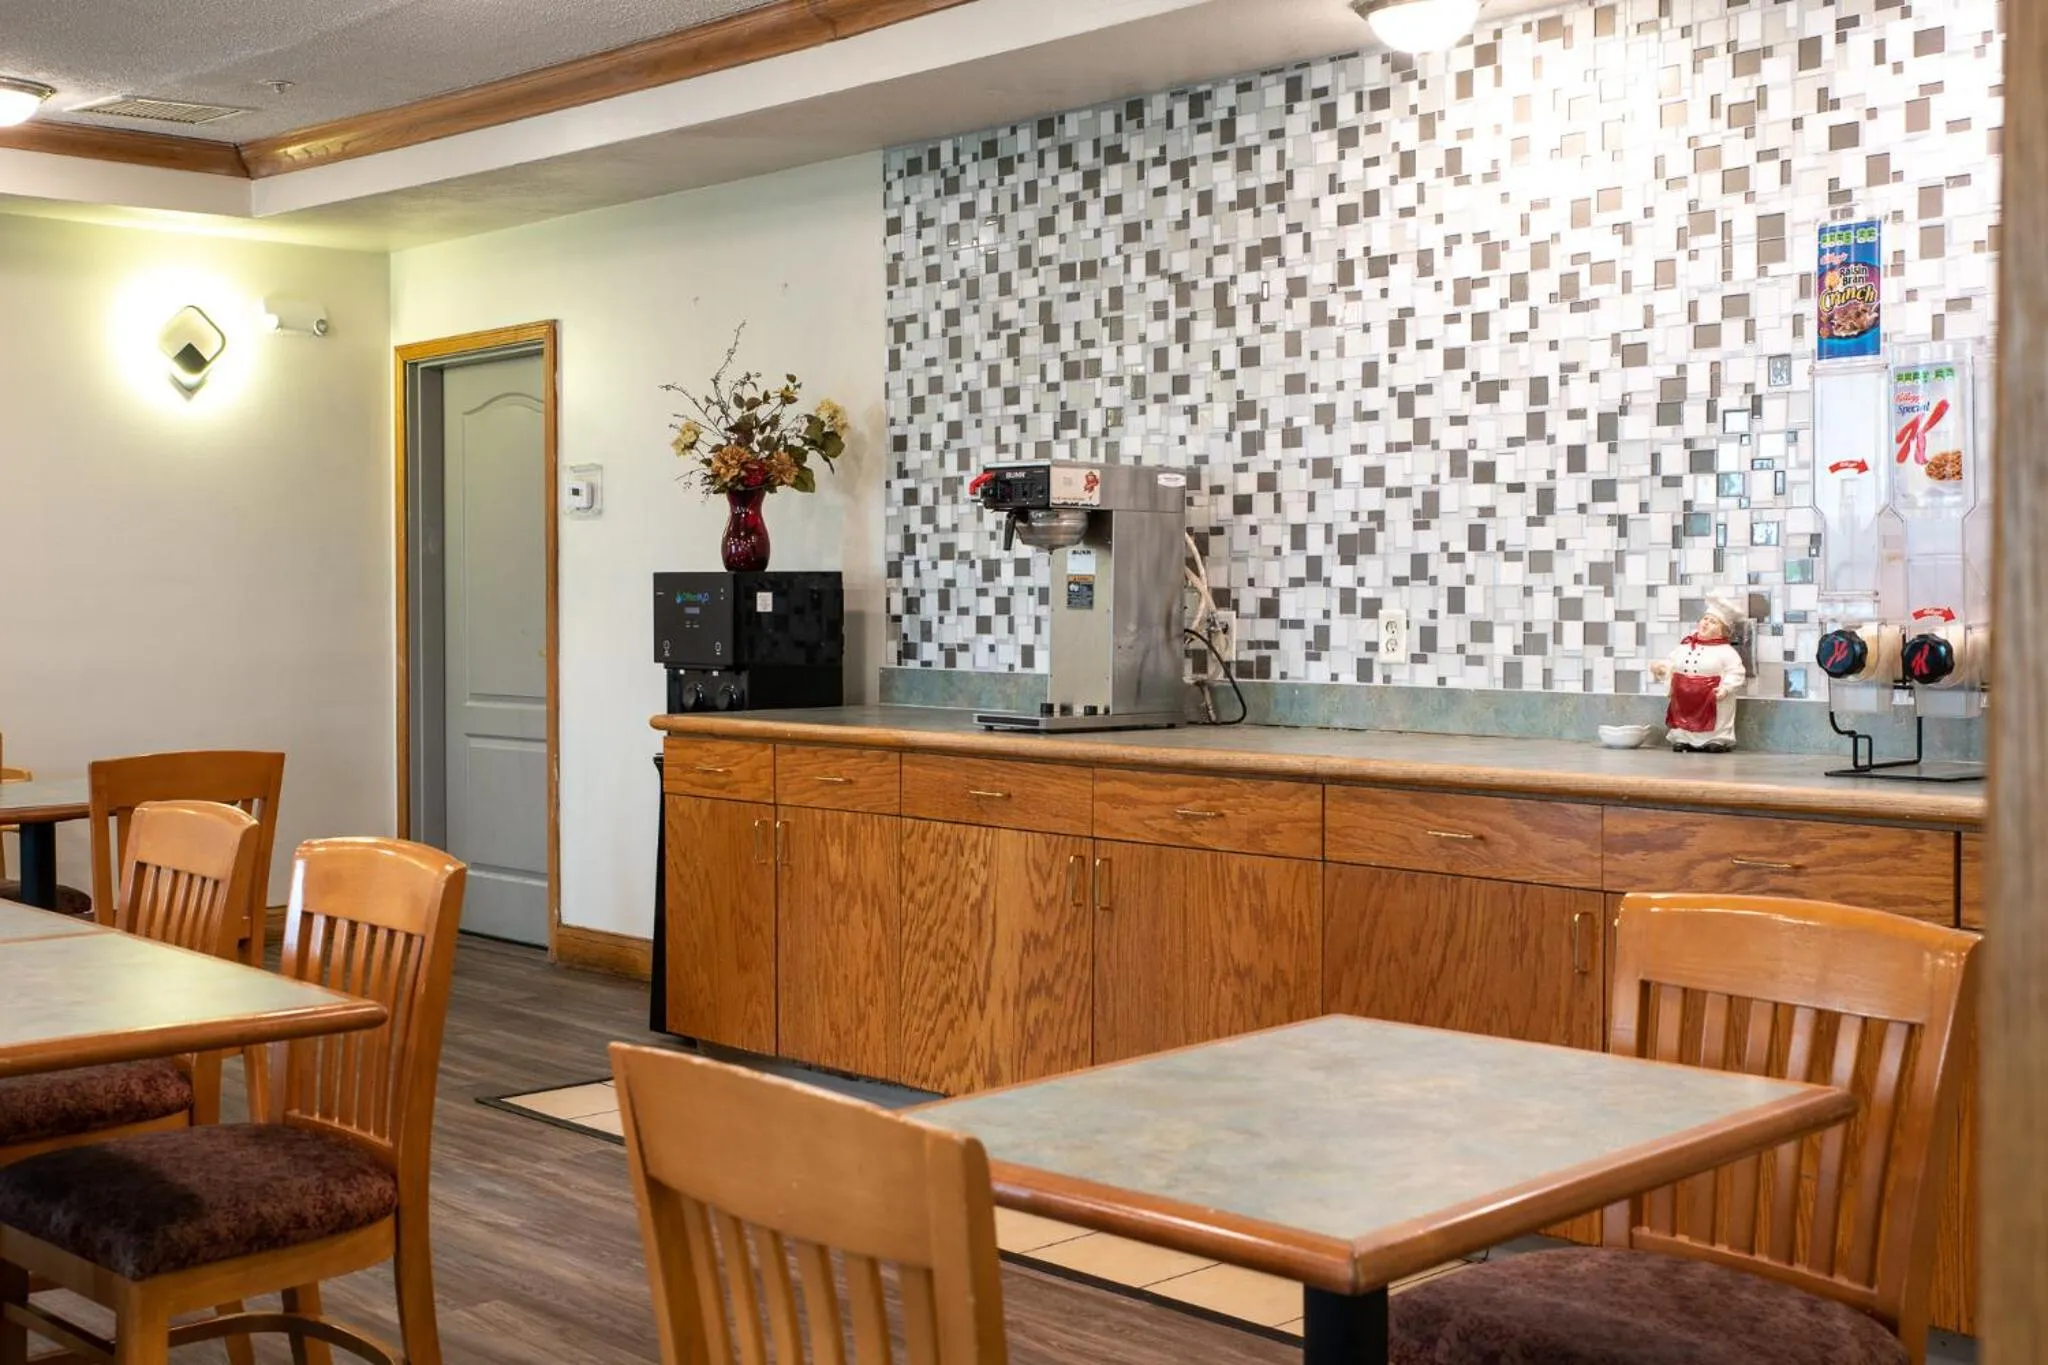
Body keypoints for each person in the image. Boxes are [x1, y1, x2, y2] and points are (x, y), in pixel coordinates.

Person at [1649, 596, 1748, 752]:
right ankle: (1683, 738)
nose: (1706, 623)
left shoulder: (1726, 652)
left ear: (1723, 631)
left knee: (1716, 720)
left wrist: (1726, 688)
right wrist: (1662, 669)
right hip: (1683, 696)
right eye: (1705, 619)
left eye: (1713, 621)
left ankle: (1715, 740)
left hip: (1710, 696)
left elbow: (1735, 672)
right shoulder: (1686, 646)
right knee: (1682, 718)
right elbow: (1672, 663)